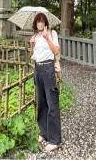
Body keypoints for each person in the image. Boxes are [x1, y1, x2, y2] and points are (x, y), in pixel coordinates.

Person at [30, 12, 61, 152]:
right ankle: (44, 132)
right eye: (38, 21)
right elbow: (33, 55)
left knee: (52, 103)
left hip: (48, 68)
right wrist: (31, 44)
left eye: (42, 21)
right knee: (42, 103)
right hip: (38, 69)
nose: (40, 24)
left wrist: (48, 38)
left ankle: (55, 140)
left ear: (46, 22)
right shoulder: (36, 36)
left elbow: (55, 51)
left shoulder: (52, 33)